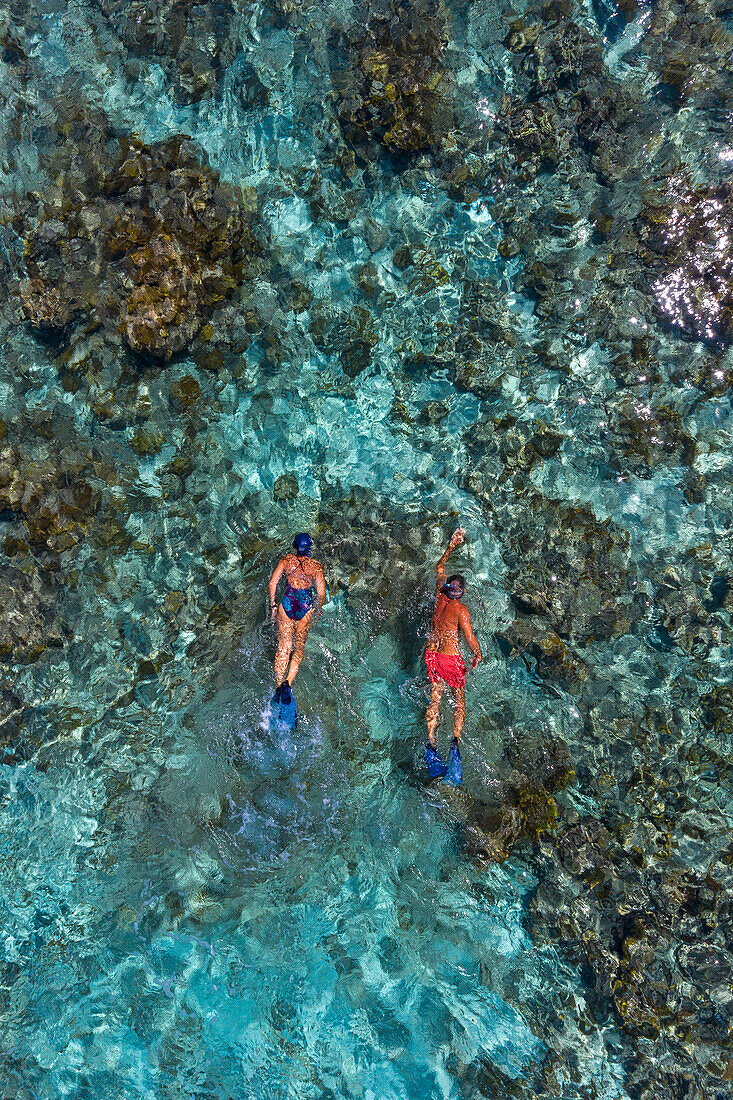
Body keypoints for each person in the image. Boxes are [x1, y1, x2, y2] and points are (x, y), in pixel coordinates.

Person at [424, 528, 482, 780]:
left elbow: (439, 567)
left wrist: (451, 546)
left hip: (431, 655)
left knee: (435, 699)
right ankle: (455, 743)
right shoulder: (460, 609)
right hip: (450, 659)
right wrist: (477, 653)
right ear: (463, 592)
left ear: (447, 587)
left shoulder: (439, 594)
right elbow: (469, 639)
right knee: (459, 701)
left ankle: (431, 743)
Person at [268, 533, 326, 704]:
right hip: (305, 608)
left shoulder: (286, 560)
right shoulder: (316, 566)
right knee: (299, 647)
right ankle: (288, 683)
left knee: (283, 647)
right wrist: (319, 608)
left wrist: (273, 605)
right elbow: (321, 593)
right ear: (310, 548)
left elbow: (273, 583)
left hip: (286, 604)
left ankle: (278, 685)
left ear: (294, 546)